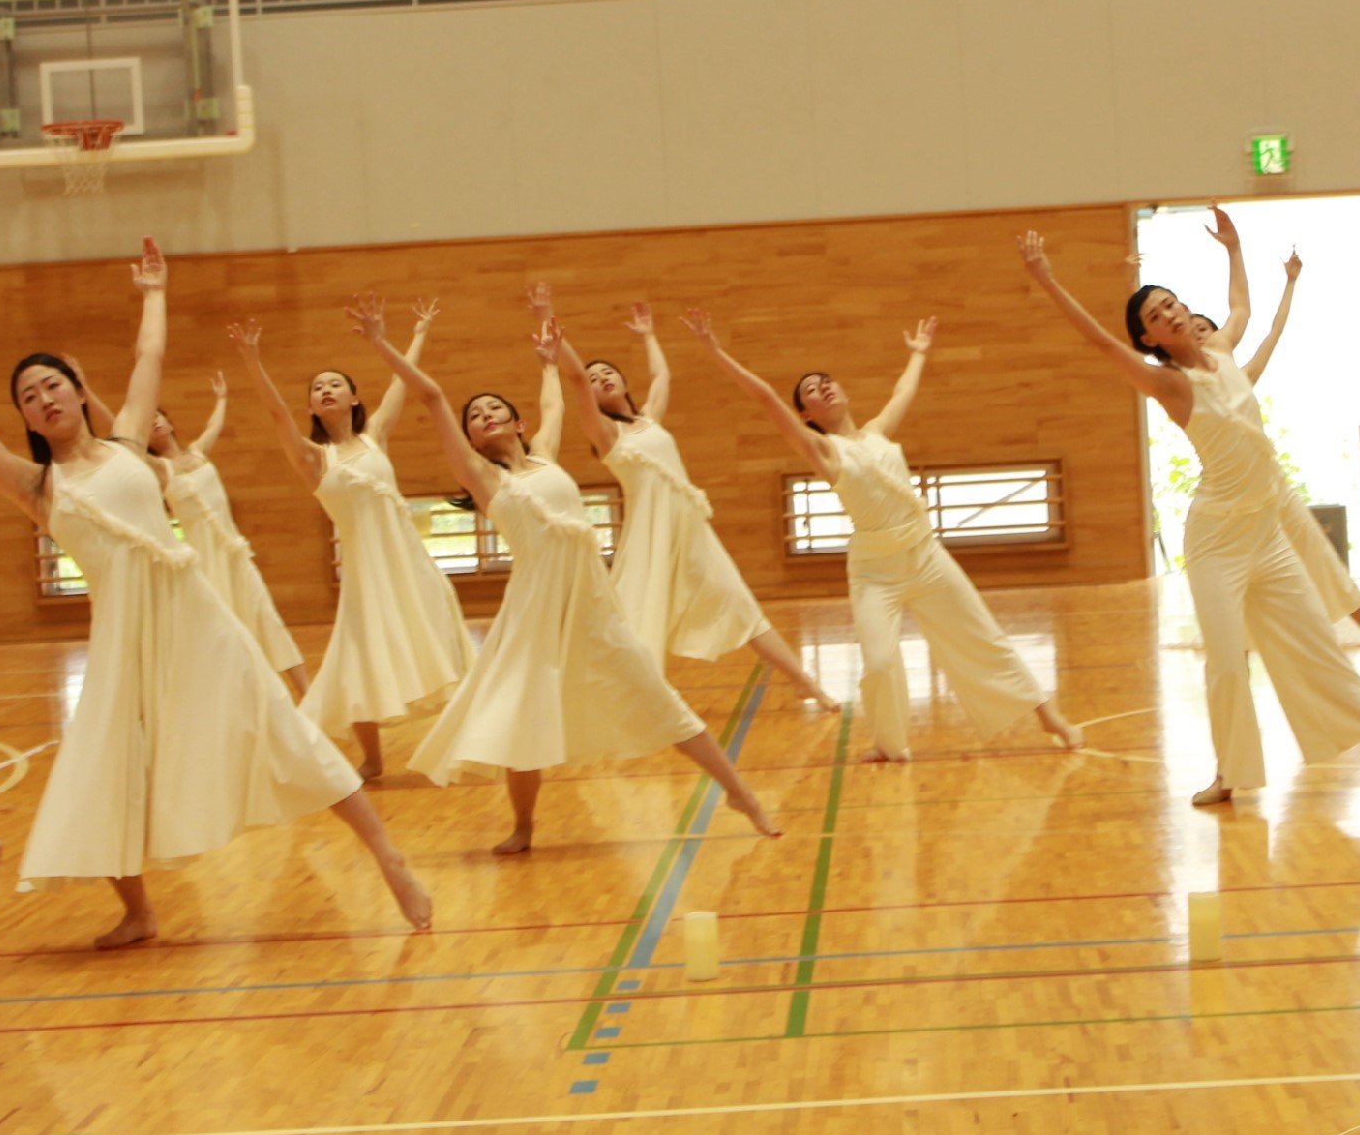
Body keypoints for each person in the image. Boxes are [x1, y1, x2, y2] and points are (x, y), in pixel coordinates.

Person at [0, 241, 432, 947]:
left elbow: (148, 358)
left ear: (74, 389)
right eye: (28, 397)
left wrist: (155, 291)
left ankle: (389, 857)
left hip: (195, 616)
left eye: (52, 384)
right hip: (122, 641)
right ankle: (138, 910)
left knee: (284, 729)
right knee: (105, 764)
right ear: (28, 420)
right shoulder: (36, 486)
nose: (43, 398)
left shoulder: (130, 444)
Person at [1016, 217, 1360, 805]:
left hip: (1266, 532)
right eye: (1156, 317)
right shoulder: (1169, 384)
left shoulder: (1223, 347)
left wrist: (1236, 248)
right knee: (1228, 662)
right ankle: (1230, 772)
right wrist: (1050, 282)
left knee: (1314, 638)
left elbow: (1241, 303)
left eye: (1171, 304)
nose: (1170, 315)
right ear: (1150, 339)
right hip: (1216, 542)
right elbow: (1100, 344)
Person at [343, 297, 779, 855]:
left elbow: (560, 389)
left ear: (518, 422)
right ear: (472, 440)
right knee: (522, 721)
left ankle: (741, 793)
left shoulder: (547, 453)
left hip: (593, 608)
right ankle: (524, 826)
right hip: (534, 615)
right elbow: (431, 396)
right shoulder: (482, 478)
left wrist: (550, 353)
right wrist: (381, 341)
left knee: (659, 697)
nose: (484, 416)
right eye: (475, 416)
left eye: (494, 409)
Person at [683, 307, 1085, 765]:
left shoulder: (876, 433)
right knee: (877, 662)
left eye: (827, 380)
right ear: (805, 412)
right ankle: (889, 744)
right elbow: (764, 399)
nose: (824, 388)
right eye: (812, 390)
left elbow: (903, 392)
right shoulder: (823, 450)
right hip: (876, 572)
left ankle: (1050, 717)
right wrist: (716, 352)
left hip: (925, 555)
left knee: (984, 636)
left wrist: (918, 354)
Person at [542, 290, 834, 706]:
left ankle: (806, 682)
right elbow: (574, 381)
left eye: (608, 372)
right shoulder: (607, 435)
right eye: (594, 377)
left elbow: (662, 377)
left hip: (692, 533)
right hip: (650, 540)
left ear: (624, 382)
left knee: (739, 604)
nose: (601, 377)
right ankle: (610, 697)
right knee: (633, 618)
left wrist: (648, 335)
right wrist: (554, 333)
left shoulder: (648, 419)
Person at [230, 302, 473, 779]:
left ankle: (469, 736)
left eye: (333, 384)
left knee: (447, 639)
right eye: (317, 388)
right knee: (359, 660)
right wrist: (252, 360)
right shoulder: (313, 459)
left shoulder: (376, 435)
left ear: (354, 398)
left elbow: (406, 382)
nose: (325, 390)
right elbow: (277, 414)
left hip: (410, 563)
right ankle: (373, 760)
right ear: (312, 406)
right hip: (367, 575)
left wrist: (418, 332)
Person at [1183, 237, 1360, 679]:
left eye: (1202, 327)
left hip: (1272, 486)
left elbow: (1267, 325)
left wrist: (1288, 282)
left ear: (1217, 336)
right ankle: (1241, 663)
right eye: (1188, 330)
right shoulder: (1185, 381)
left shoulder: (1240, 369)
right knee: (1239, 582)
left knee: (1321, 559)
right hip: (1230, 500)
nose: (1197, 333)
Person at [78, 364, 309, 702]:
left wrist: (223, 398)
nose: (154, 420)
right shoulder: (157, 469)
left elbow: (216, 423)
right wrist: (86, 388)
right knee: (222, 636)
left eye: (160, 415)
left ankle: (306, 695)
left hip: (237, 557)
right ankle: (230, 703)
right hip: (205, 567)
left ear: (171, 423)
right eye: (148, 419)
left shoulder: (198, 452)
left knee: (268, 621)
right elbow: (117, 429)